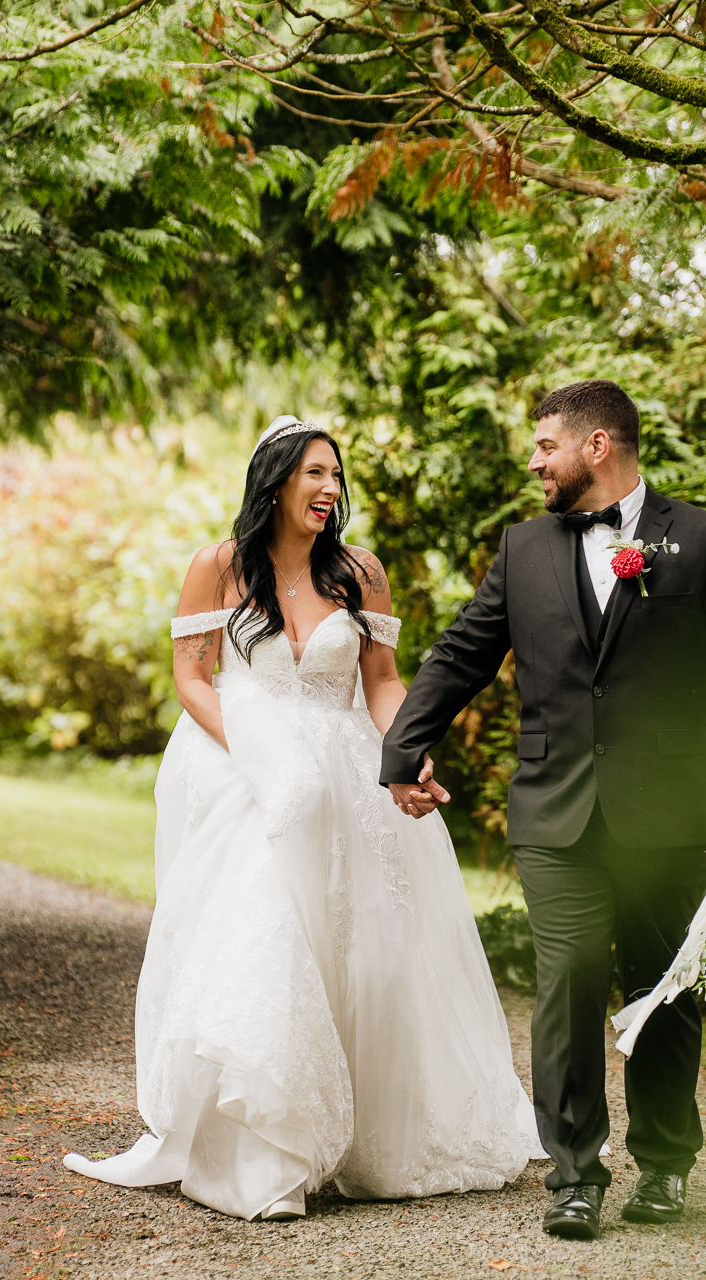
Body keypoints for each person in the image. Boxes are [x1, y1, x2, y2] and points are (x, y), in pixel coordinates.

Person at [64, 416, 543, 1221]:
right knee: (265, 934)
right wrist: (257, 754)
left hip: (347, 769)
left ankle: (363, 1133)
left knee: (364, 946)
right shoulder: (217, 567)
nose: (328, 489)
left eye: (335, 475)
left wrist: (408, 751)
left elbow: (383, 681)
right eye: (313, 473)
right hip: (243, 767)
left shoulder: (360, 573)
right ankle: (263, 1148)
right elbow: (193, 677)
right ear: (275, 479)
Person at [381, 380, 706, 1241]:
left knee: (665, 988)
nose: (534, 462)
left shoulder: (704, 540)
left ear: (597, 446)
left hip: (668, 815)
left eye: (545, 446)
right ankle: (574, 1175)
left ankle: (668, 1165)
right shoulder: (524, 548)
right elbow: (464, 649)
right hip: (556, 810)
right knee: (568, 982)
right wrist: (403, 745)